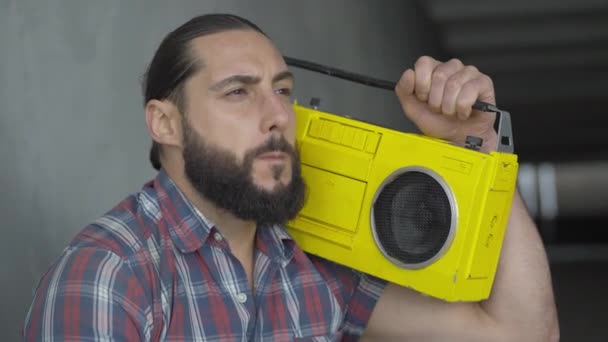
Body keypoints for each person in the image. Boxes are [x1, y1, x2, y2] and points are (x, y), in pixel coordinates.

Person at [23, 14, 559, 341]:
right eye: (238, 91)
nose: (278, 114)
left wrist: (479, 147)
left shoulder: (309, 268)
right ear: (166, 123)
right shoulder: (111, 275)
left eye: (283, 90)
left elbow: (520, 332)